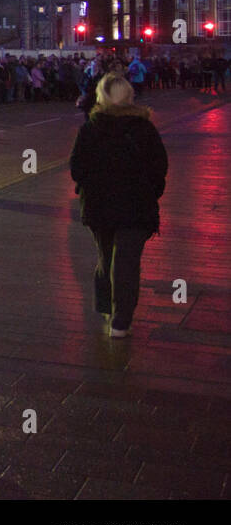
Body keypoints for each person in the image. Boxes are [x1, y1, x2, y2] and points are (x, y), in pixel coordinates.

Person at [69, 74, 168, 338]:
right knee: (127, 260)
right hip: (136, 205)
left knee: (106, 255)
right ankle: (121, 320)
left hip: (100, 205)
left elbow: (77, 168)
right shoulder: (144, 128)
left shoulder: (91, 127)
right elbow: (159, 168)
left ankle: (105, 306)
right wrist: (152, 192)